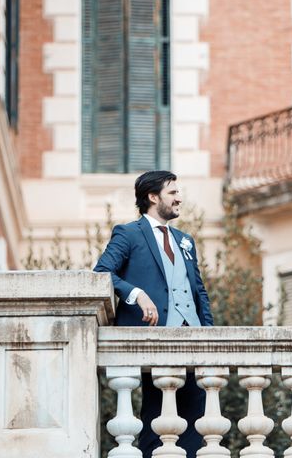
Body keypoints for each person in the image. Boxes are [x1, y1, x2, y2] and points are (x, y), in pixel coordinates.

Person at [94, 170, 213, 458]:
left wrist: (209, 335)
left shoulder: (185, 240)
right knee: (155, 422)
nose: (179, 198)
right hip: (153, 338)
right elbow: (102, 273)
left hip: (192, 339)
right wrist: (136, 294)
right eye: (172, 193)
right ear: (152, 197)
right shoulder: (129, 233)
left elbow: (198, 291)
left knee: (196, 424)